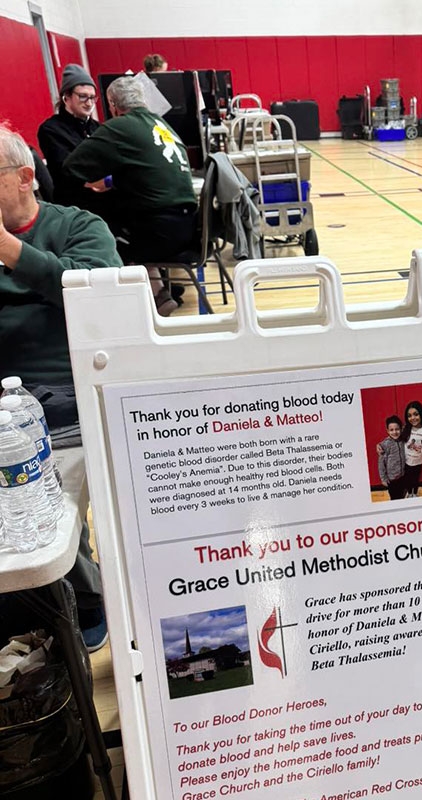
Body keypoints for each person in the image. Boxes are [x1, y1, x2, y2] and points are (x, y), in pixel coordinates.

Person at [0, 122, 121, 651]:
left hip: (64, 398)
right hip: (7, 403)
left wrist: (10, 250)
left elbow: (99, 302)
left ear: (25, 177)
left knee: (44, 503)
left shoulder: (78, 227)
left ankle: (84, 599)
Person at [62, 76, 197, 314]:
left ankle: (123, 305)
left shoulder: (119, 126)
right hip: (189, 226)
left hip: (158, 231)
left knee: (101, 229)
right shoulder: (161, 124)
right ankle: (158, 292)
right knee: (129, 217)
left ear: (112, 105)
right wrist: (111, 180)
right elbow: (152, 167)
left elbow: (71, 168)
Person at [36, 64, 100, 205]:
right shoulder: (50, 130)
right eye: (83, 97)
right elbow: (68, 171)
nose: (89, 103)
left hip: (102, 197)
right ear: (67, 97)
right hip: (75, 203)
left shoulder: (97, 127)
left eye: (92, 98)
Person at [401, 401, 422, 498]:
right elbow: (395, 440)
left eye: (416, 414)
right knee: (408, 480)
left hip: (418, 462)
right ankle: (409, 493)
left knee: (415, 479)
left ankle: (414, 493)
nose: (413, 418)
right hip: (406, 462)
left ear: (421, 414)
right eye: (409, 415)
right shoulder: (406, 429)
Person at [377, 415, 406, 500]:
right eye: (391, 430)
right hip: (392, 479)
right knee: (394, 498)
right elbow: (381, 463)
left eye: (397, 429)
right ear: (387, 431)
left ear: (401, 429)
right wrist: (383, 479)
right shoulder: (385, 444)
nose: (395, 432)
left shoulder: (403, 440)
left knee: (402, 495)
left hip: (402, 475)